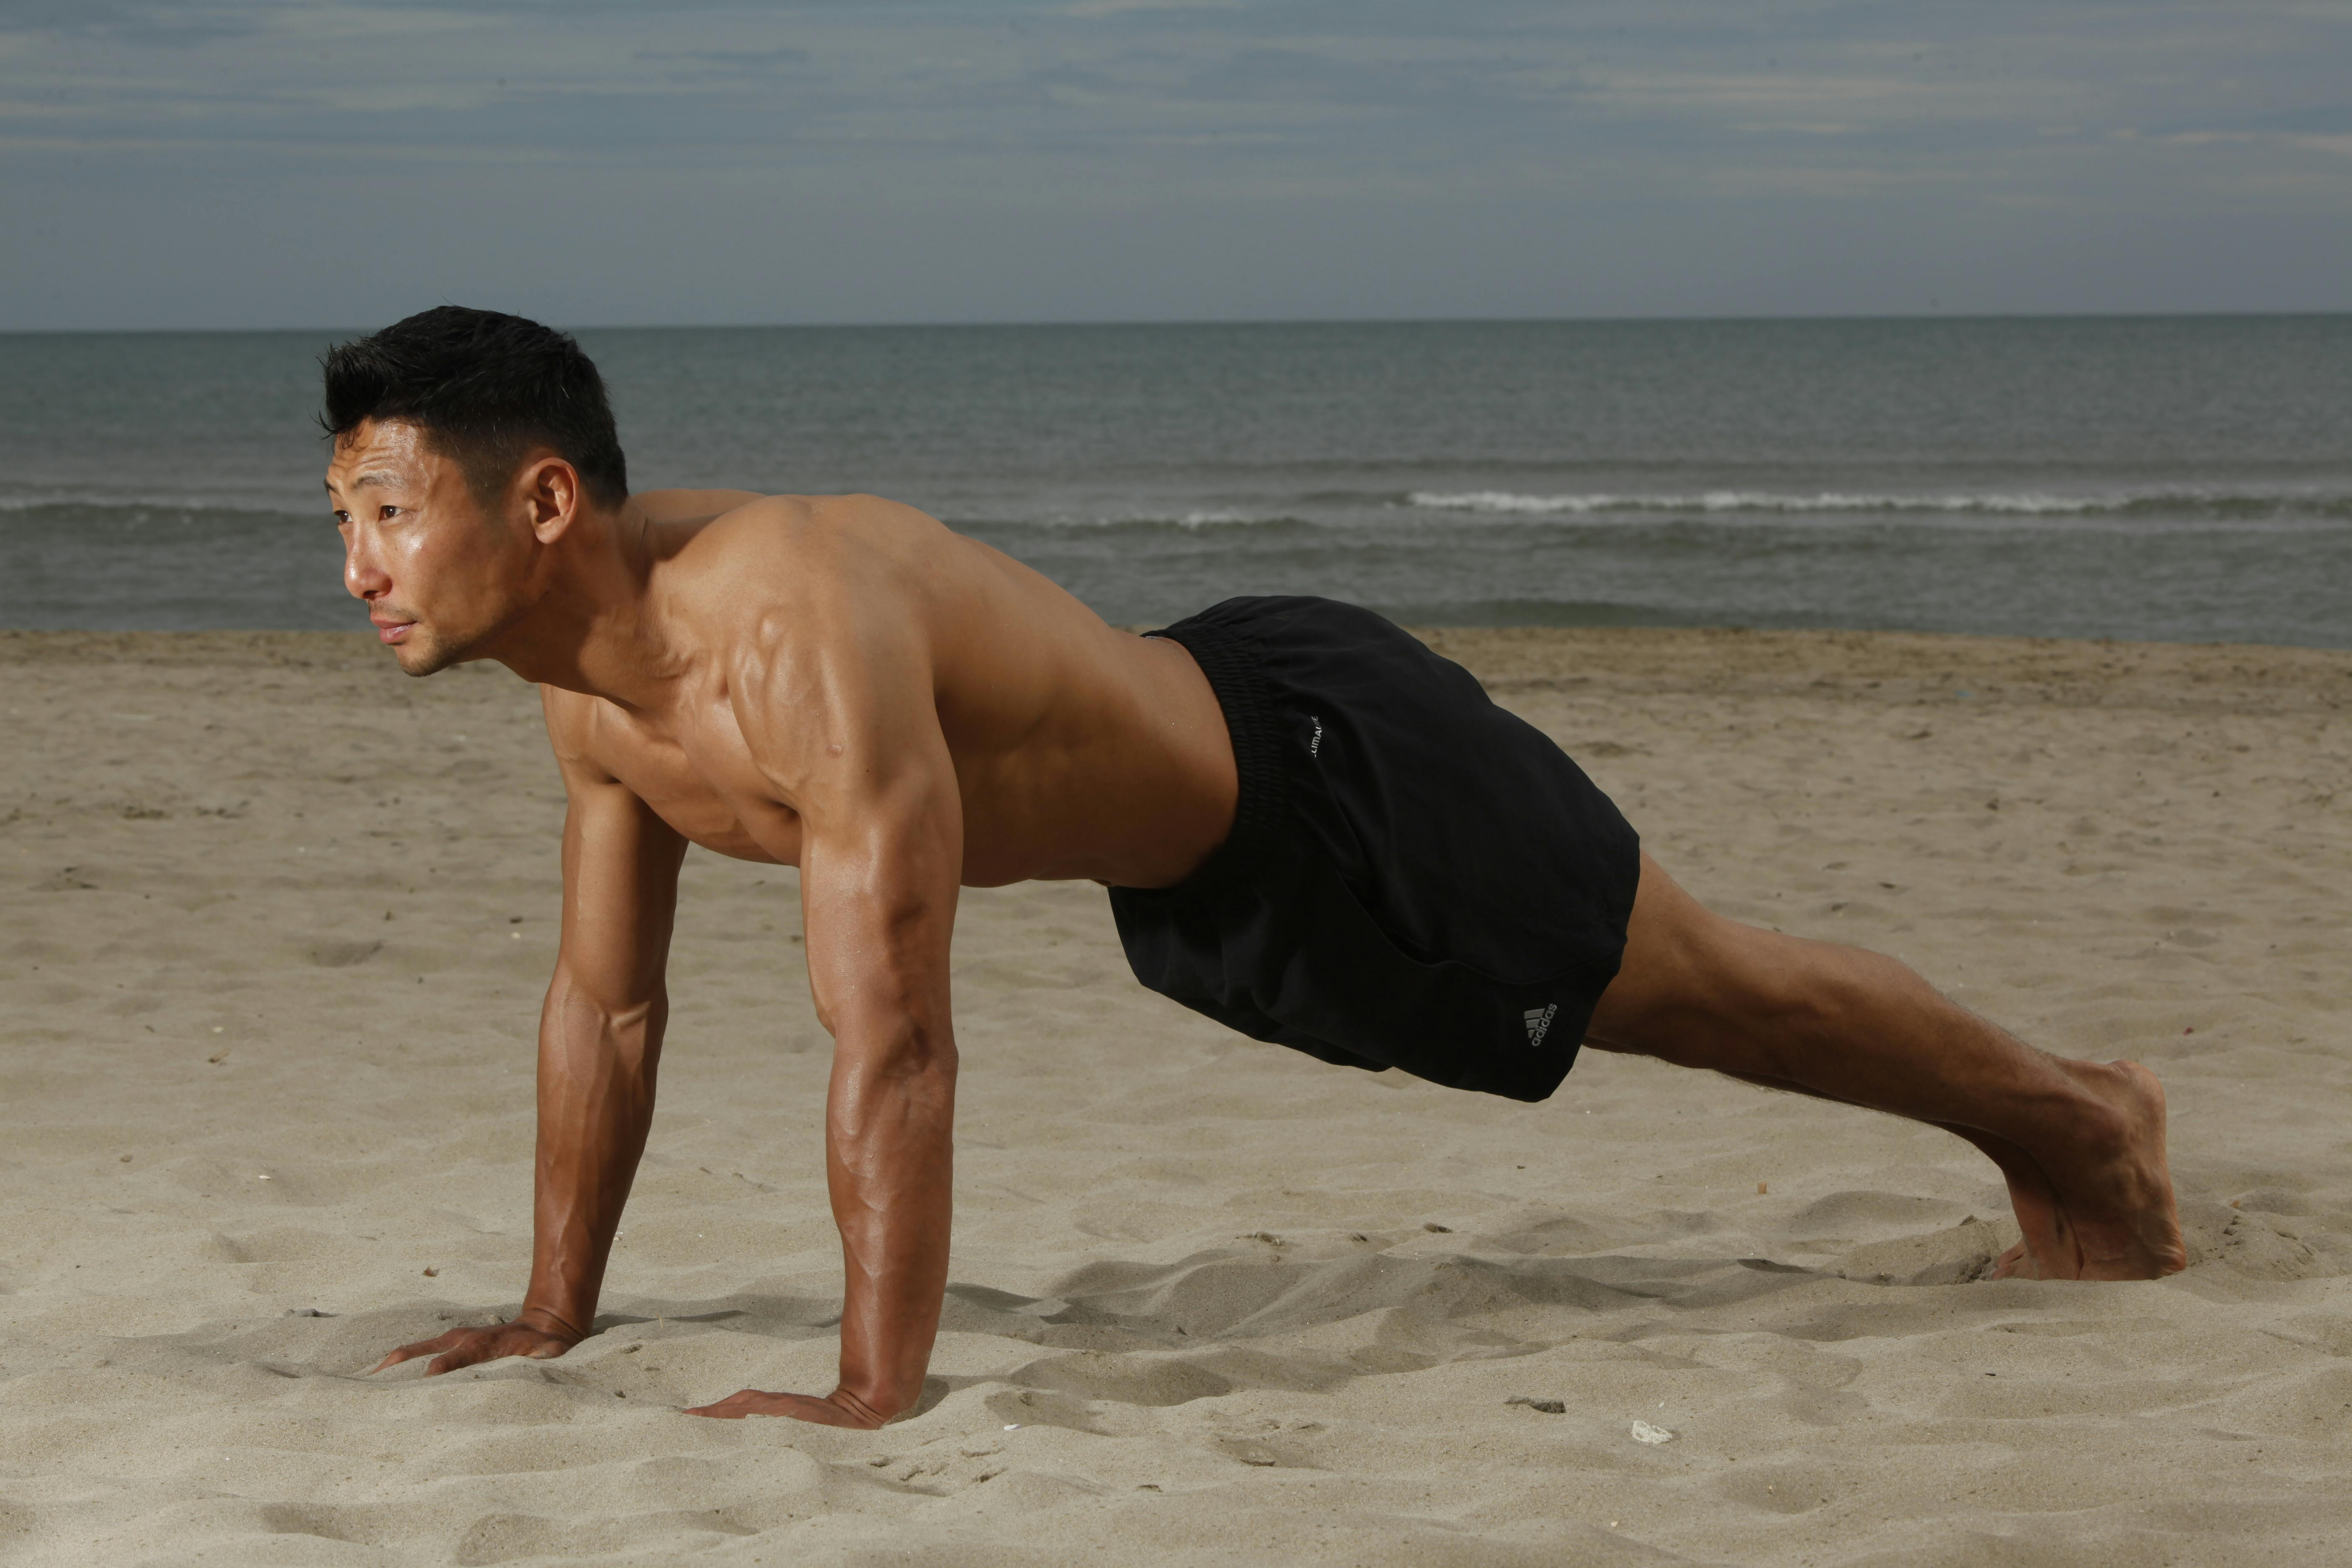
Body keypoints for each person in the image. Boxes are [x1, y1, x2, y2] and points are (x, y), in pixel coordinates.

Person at [342, 307, 2184, 1429]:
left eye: (390, 514)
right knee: (1677, 1013)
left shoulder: (791, 623)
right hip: (1209, 890)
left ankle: (2082, 1119)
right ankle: (2060, 1121)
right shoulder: (591, 704)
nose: (359, 563)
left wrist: (871, 1388)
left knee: (1710, 994)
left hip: (1332, 773)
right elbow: (612, 1001)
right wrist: (552, 1309)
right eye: (348, 519)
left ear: (547, 503)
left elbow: (894, 1035)